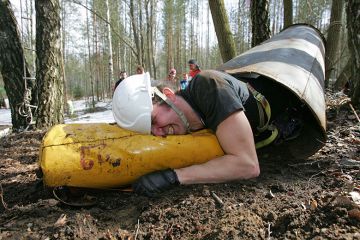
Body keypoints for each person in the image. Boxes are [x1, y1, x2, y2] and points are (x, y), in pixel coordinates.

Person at [113, 70, 282, 197]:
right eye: (150, 131)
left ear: (169, 96)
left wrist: (173, 177)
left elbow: (247, 165)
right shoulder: (184, 124)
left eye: (154, 121)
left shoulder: (208, 86)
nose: (157, 133)